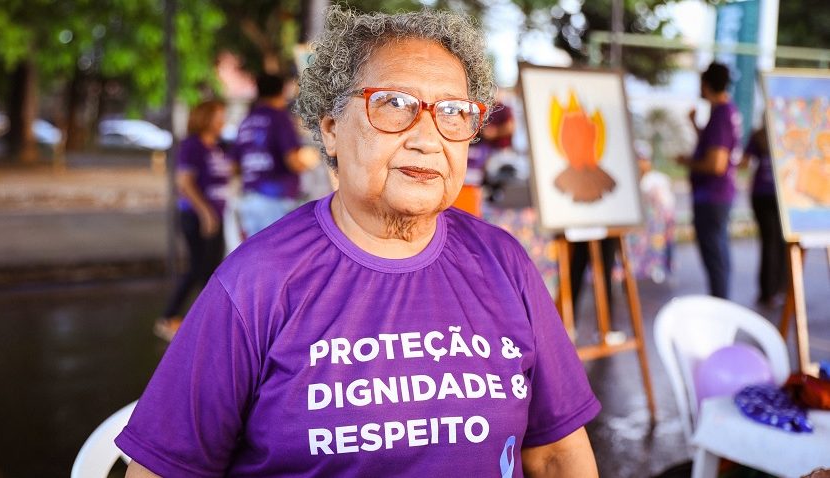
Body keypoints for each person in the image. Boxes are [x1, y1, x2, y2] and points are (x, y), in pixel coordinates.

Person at [118, 7, 601, 477]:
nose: (427, 139)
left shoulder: (504, 264)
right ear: (330, 130)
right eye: (395, 104)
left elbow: (556, 454)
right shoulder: (256, 282)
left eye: (453, 112)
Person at [154, 99, 231, 341]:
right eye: (218, 117)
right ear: (204, 118)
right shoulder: (192, 145)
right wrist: (205, 212)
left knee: (211, 271)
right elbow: (185, 182)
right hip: (196, 216)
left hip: (216, 216)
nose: (222, 122)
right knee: (198, 268)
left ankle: (206, 323)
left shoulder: (217, 147)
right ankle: (169, 317)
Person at [677, 62, 742, 299]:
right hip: (718, 195)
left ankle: (720, 304)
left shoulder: (722, 115)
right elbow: (714, 147)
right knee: (719, 252)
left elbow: (716, 164)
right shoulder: (727, 112)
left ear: (705, 85)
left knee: (715, 254)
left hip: (712, 196)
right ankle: (721, 299)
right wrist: (695, 125)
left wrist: (687, 162)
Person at [232, 73, 314, 237]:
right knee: (281, 258)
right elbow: (293, 161)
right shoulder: (279, 117)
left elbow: (234, 166)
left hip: (250, 199)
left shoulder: (246, 121)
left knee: (257, 258)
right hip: (275, 200)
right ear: (281, 91)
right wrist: (312, 161)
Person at [741, 123, 785, 306]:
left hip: (767, 194)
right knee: (776, 243)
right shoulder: (783, 130)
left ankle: (772, 291)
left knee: (772, 242)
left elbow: (744, 162)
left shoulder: (759, 134)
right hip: (775, 195)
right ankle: (772, 290)